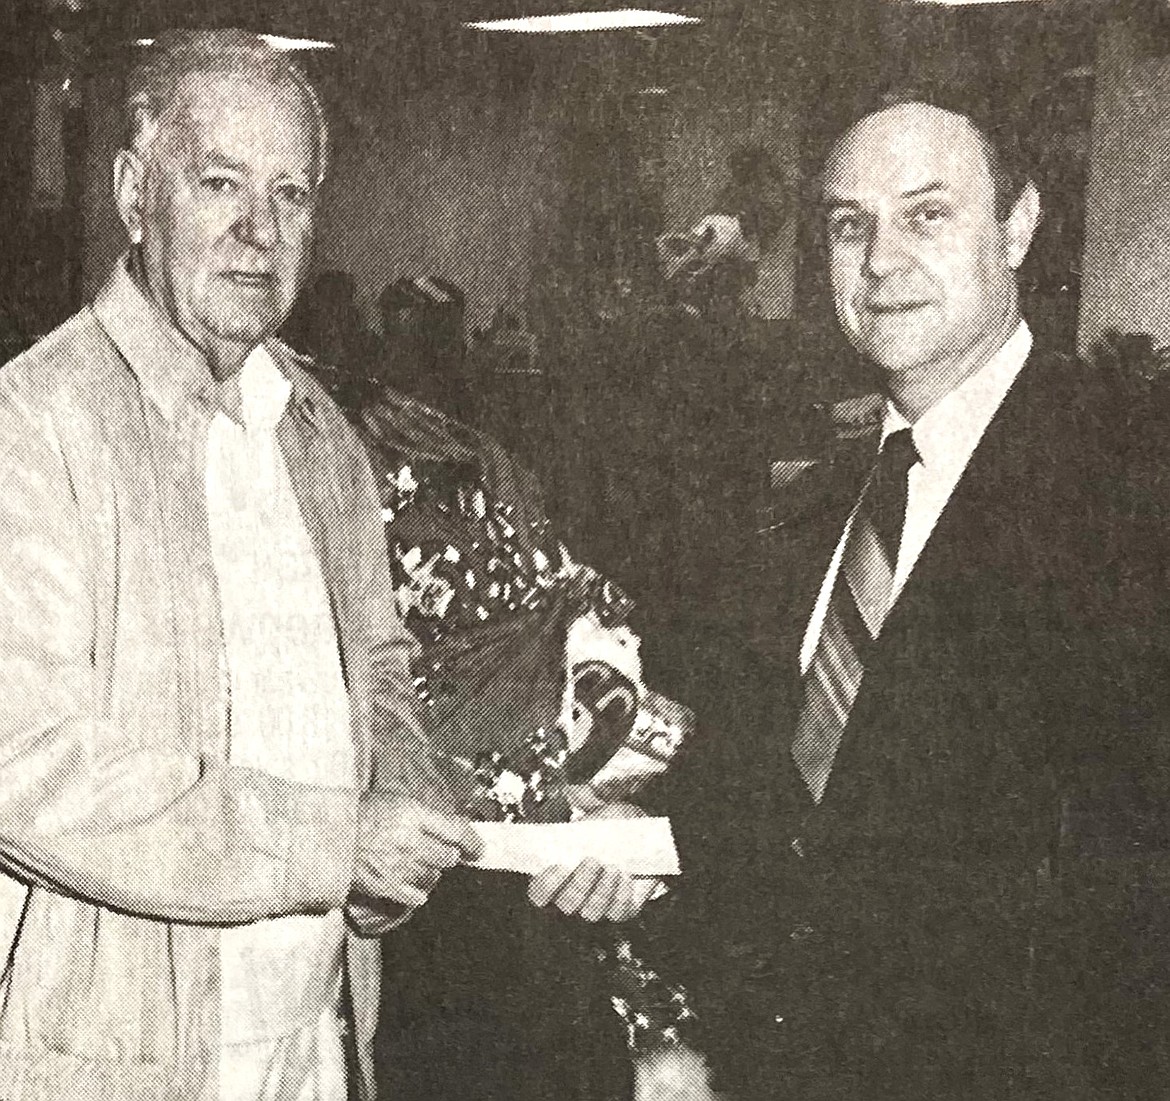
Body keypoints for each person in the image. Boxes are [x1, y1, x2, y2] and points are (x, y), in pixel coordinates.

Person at [0, 30, 628, 1101]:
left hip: (320, 1037)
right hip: (115, 1060)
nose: (259, 230)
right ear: (131, 194)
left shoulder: (318, 431)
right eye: (219, 184)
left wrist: (417, 834)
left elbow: (380, 678)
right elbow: (26, 763)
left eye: (291, 194)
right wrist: (336, 844)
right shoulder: (35, 426)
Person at [647, 86, 1170, 1100]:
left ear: (1018, 227)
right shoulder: (814, 496)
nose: (881, 261)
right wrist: (637, 850)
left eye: (927, 215)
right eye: (851, 226)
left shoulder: (1132, 492)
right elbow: (795, 806)